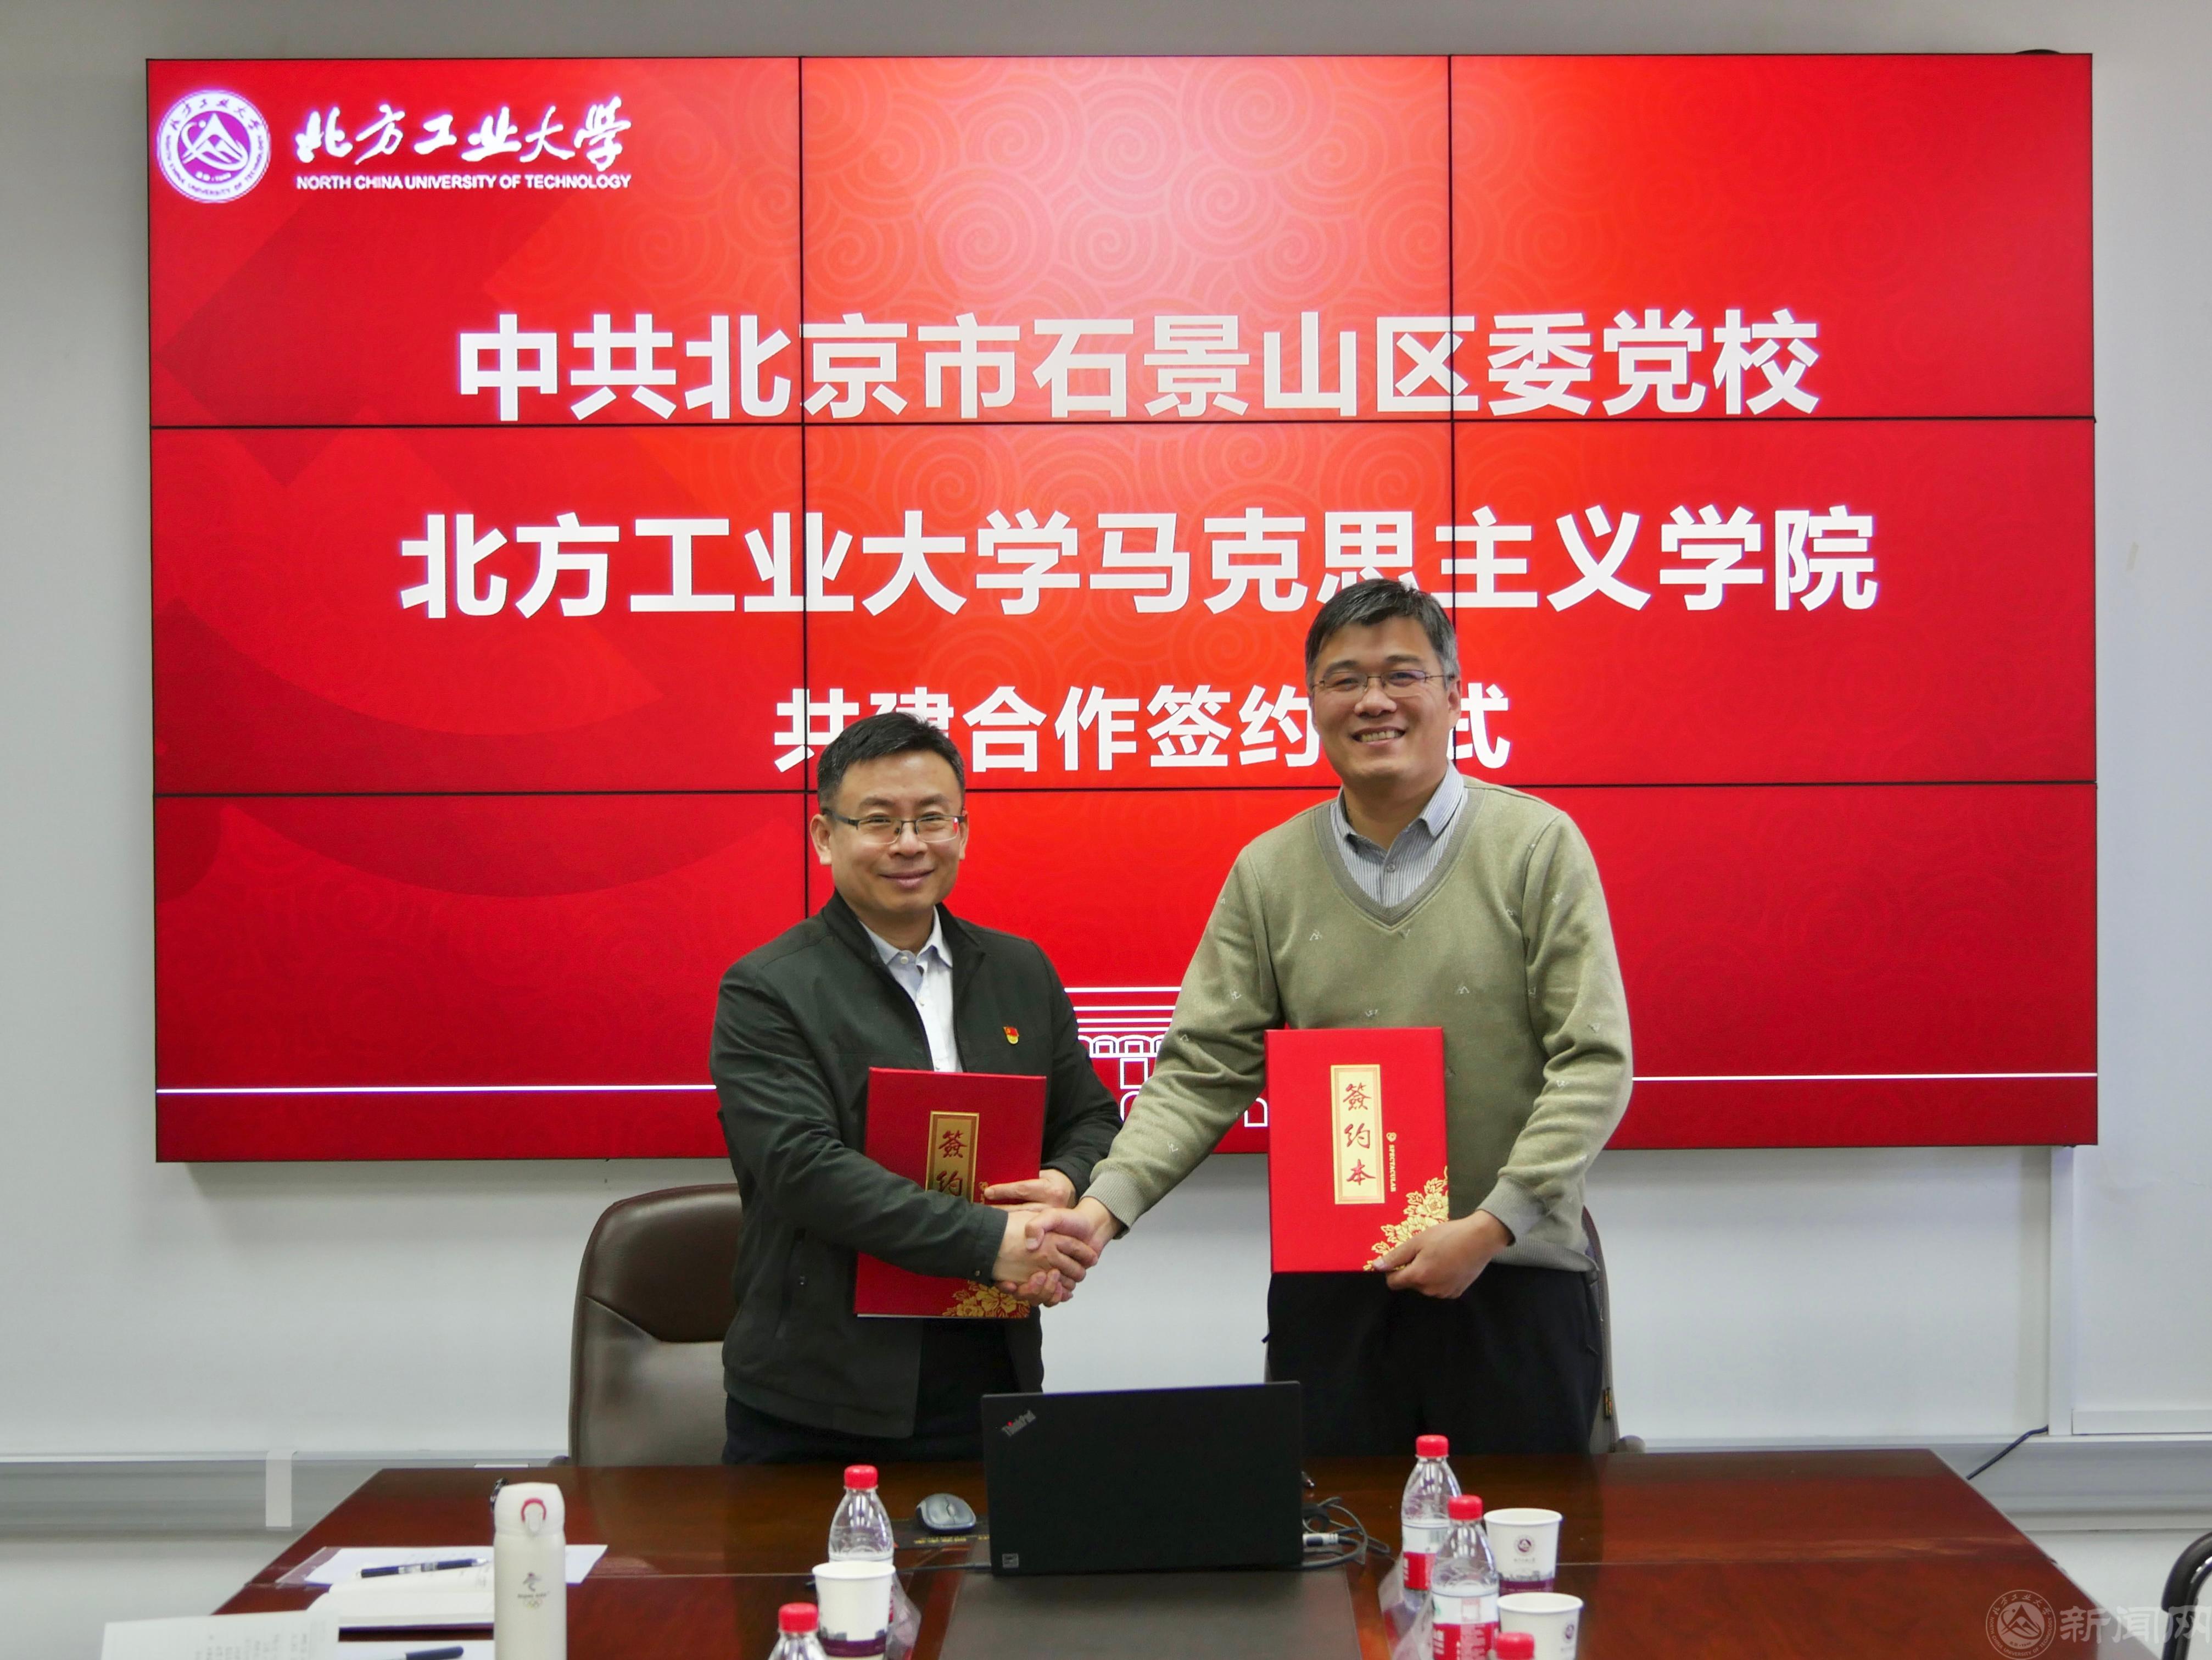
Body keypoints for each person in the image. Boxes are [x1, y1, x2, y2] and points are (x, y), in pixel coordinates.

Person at [1034, 578, 1633, 1454]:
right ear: (1313, 703)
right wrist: (1103, 1207)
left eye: (1402, 674)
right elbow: (1202, 1071)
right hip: (1335, 1293)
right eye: (1345, 679)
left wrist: (1493, 1223)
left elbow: (1593, 1061)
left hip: (1509, 1276)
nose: (1374, 700)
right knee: (1334, 1537)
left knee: (1517, 1532)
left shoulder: (1537, 847)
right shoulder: (1269, 871)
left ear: (1453, 692)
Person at [711, 711, 1121, 1464]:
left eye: (933, 819)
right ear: (825, 835)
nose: (910, 844)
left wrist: (1063, 1185)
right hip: (822, 1391)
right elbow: (803, 1168)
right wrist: (992, 1241)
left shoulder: (1020, 970)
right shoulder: (768, 988)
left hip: (989, 1370)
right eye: (879, 821)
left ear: (962, 832)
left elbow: (1093, 1118)